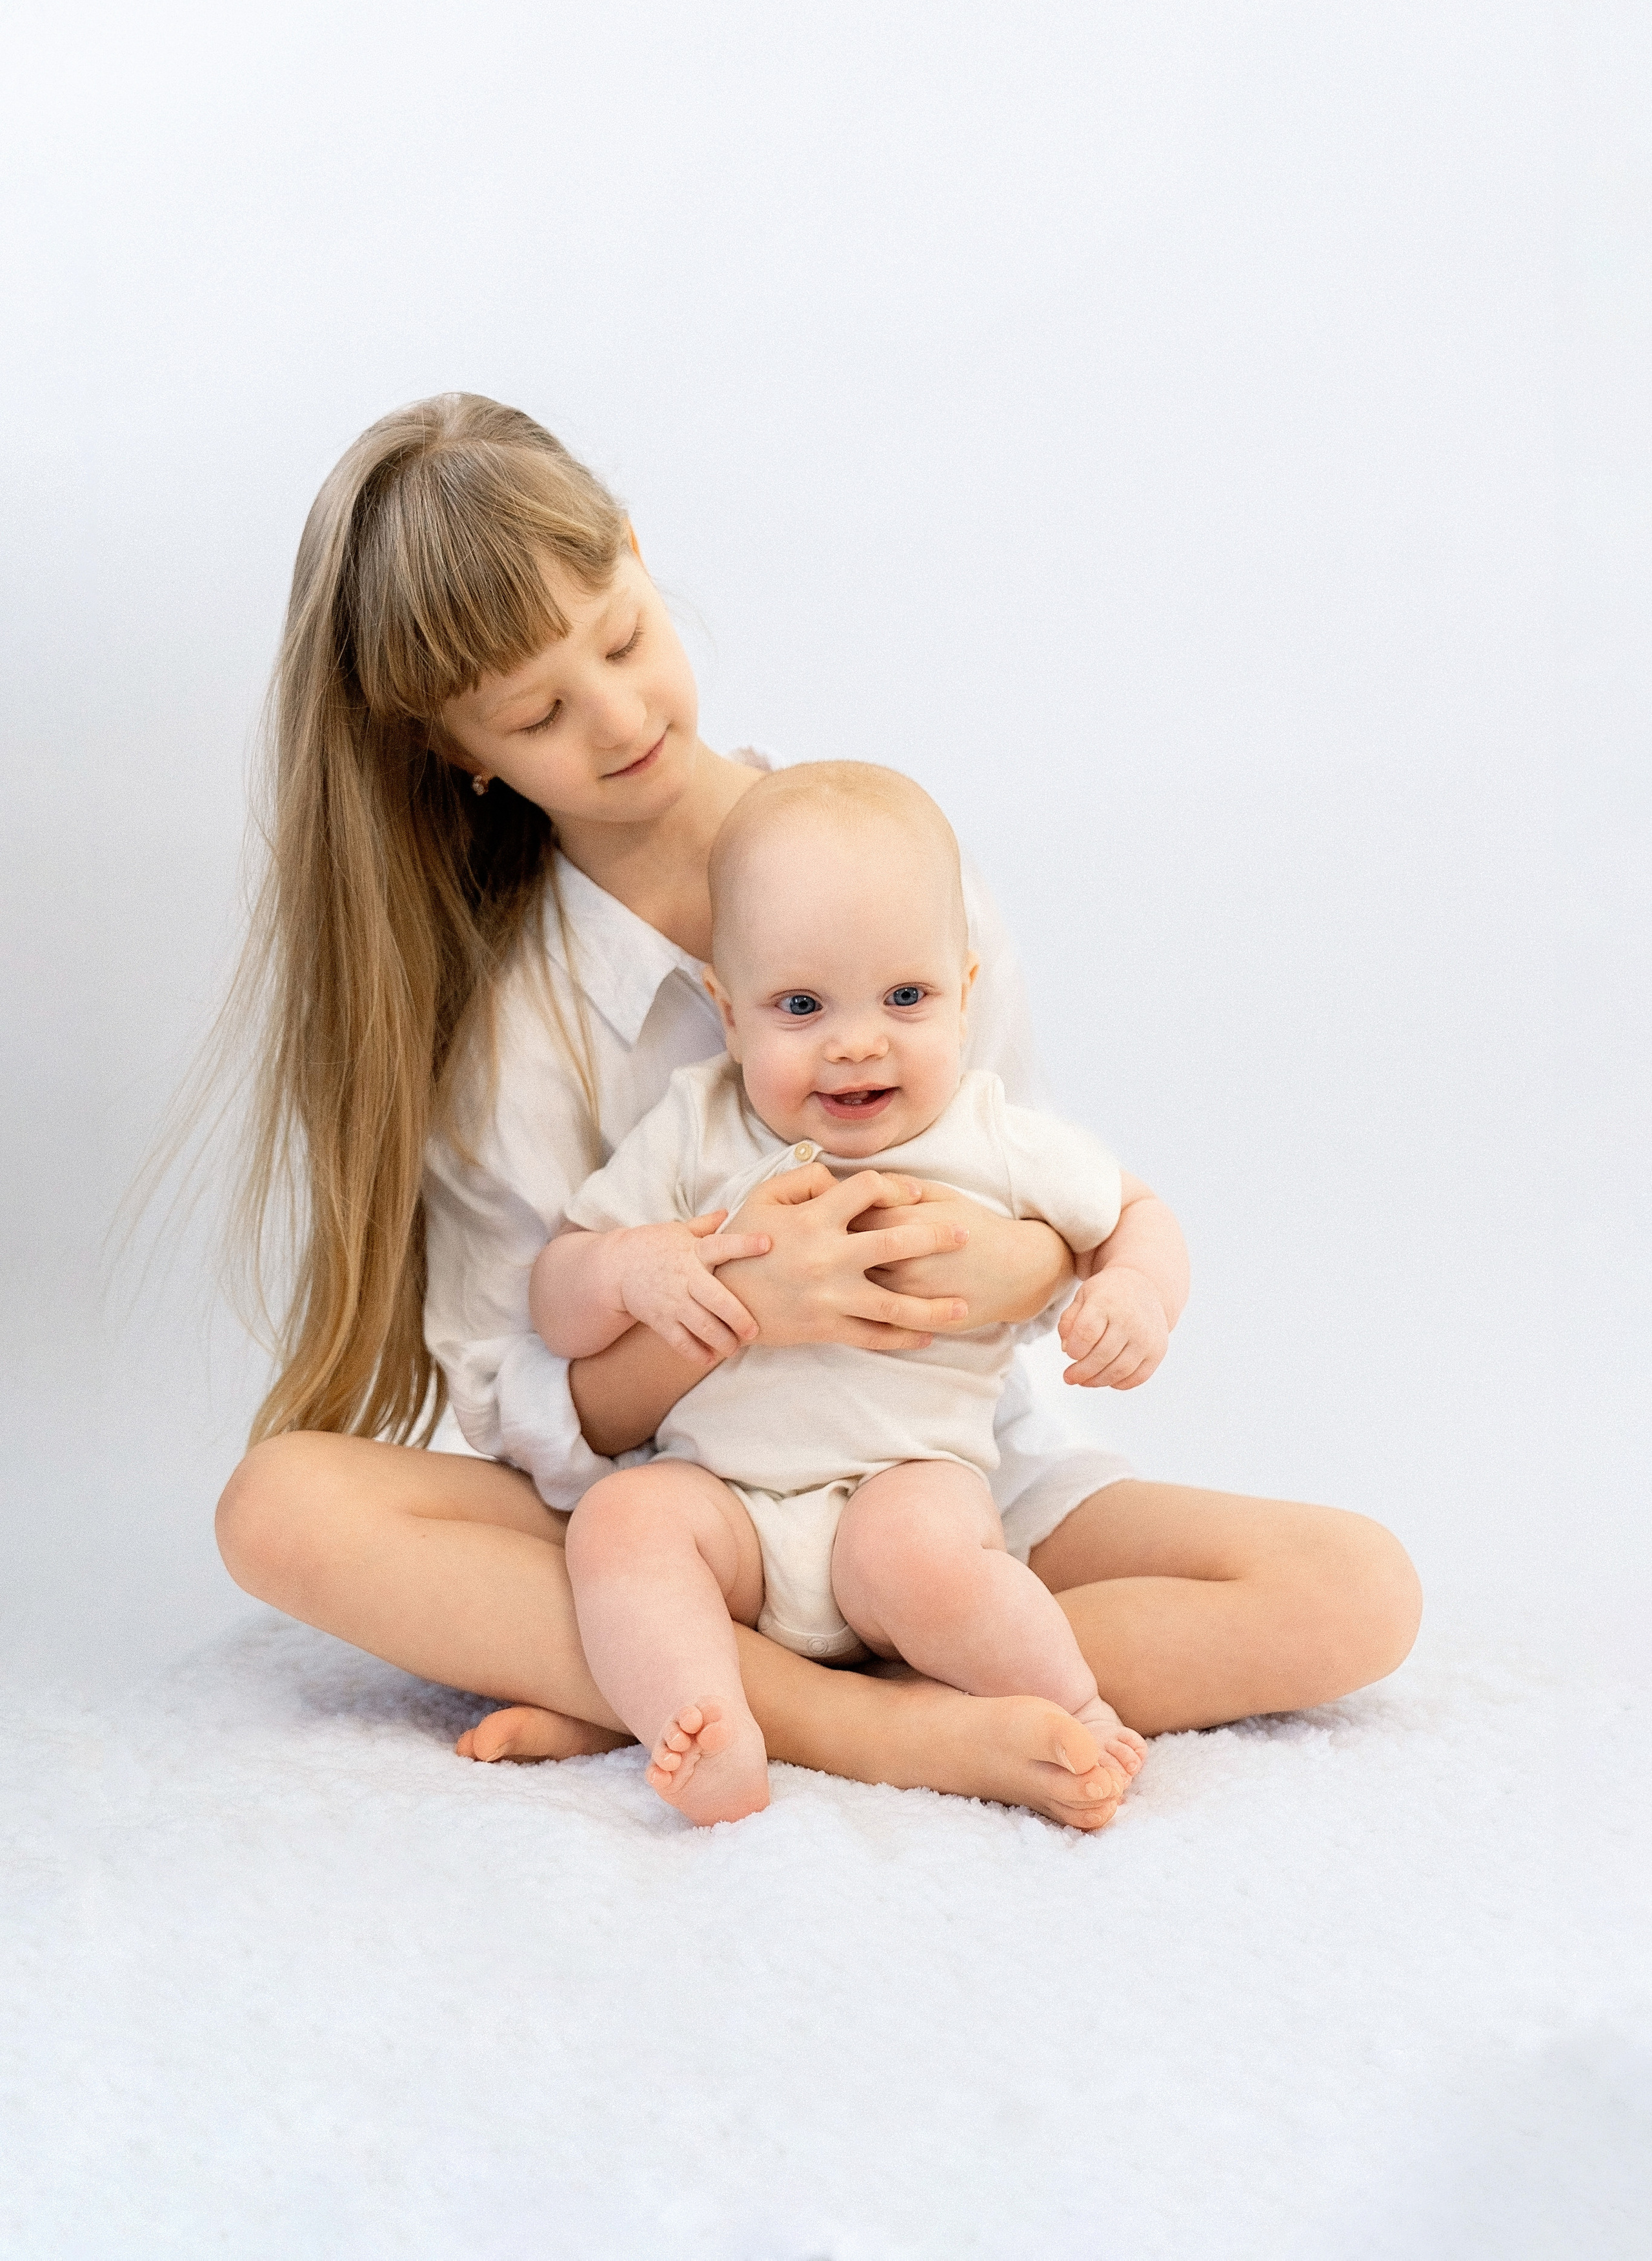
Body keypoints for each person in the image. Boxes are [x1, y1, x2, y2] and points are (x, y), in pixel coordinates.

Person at [212, 392, 1422, 1836]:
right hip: (688, 1509)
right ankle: (878, 1723)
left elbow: (1025, 1172)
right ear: (454, 750)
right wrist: (741, 1301)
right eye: (535, 711)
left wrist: (1040, 1270)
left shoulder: (892, 863)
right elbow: (539, 1401)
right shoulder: (511, 1034)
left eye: (618, 635)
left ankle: (670, 1686)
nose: (621, 716)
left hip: (946, 1485)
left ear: (643, 559)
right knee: (279, 1506)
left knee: (1357, 1591)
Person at [539, 759, 1180, 1824]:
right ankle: (706, 1725)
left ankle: (1076, 1703)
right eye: (800, 1004)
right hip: (729, 1509)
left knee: (920, 1554)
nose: (856, 1040)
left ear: (966, 995)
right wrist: (623, 1267)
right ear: (728, 1012)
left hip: (904, 1485)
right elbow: (556, 1296)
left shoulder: (991, 1138)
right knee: (622, 1521)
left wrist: (1139, 1294)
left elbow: (1138, 1214)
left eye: (906, 996)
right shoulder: (697, 1128)